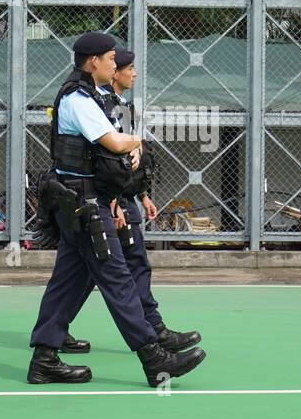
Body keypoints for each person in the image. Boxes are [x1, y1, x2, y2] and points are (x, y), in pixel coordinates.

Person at [28, 32, 207, 387]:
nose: (117, 65)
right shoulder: (78, 100)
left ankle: (44, 359)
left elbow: (100, 157)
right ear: (93, 61)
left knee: (68, 283)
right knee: (118, 278)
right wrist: (138, 139)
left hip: (83, 201)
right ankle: (155, 360)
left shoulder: (88, 97)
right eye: (111, 59)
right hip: (83, 204)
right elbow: (111, 142)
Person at [56, 47, 201, 354]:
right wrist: (118, 201)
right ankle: (152, 343)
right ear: (110, 69)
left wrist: (141, 194)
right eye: (125, 66)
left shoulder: (119, 105)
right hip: (99, 199)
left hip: (108, 197)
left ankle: (50, 339)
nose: (133, 73)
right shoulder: (90, 102)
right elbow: (109, 153)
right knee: (122, 272)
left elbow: (125, 159)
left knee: (83, 273)